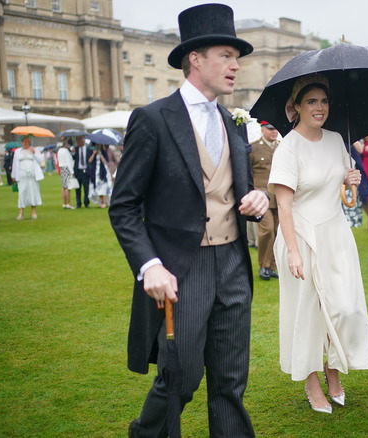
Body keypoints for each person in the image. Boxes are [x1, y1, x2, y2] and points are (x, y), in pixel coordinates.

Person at [108, 5, 267, 437]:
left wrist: (257, 198)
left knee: (232, 380)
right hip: (184, 267)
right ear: (195, 58)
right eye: (226, 55)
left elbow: (236, 188)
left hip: (233, 264)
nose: (235, 66)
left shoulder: (233, 123)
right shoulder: (154, 119)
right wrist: (149, 265)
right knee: (181, 378)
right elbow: (123, 206)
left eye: (237, 57)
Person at [269, 74, 368, 414]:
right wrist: (294, 252)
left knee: (345, 308)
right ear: (296, 107)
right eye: (311, 101)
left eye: (324, 101)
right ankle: (314, 384)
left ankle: (334, 371)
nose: (320, 108)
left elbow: (348, 199)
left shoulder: (337, 139)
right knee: (309, 314)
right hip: (300, 236)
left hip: (336, 234)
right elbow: (284, 205)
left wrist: (350, 180)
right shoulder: (288, 147)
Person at [250, 121, 280, 280]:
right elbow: (247, 173)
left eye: (275, 128)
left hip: (280, 196)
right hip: (262, 197)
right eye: (270, 128)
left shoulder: (282, 146)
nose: (273, 131)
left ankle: (272, 267)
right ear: (262, 129)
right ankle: (263, 265)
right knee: (267, 230)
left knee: (277, 232)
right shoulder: (254, 148)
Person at [11, 135, 43, 220]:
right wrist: (13, 175)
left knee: (33, 192)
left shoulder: (35, 150)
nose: (25, 143)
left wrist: (34, 153)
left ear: (29, 142)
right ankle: (21, 212)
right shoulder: (18, 151)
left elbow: (40, 160)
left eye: (27, 141)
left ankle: (33, 212)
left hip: (32, 175)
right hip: (22, 175)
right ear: (21, 142)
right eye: (23, 141)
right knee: (22, 193)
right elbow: (14, 163)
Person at [88, 143, 115, 208]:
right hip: (95, 172)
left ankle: (104, 202)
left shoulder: (104, 152)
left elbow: (106, 162)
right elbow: (89, 161)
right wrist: (94, 154)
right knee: (98, 187)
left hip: (102, 172)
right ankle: (101, 201)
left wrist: (100, 155)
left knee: (104, 187)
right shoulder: (92, 152)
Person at [71, 135, 91, 208]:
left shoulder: (88, 148)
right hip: (78, 171)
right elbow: (72, 158)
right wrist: (73, 153)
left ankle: (86, 202)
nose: (78, 142)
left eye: (79, 141)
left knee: (86, 188)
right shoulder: (75, 149)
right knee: (78, 188)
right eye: (77, 141)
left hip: (86, 171)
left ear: (83, 140)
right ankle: (78, 203)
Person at [57, 141, 76, 209]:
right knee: (68, 188)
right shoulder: (65, 151)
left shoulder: (59, 150)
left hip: (62, 168)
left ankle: (64, 203)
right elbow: (68, 161)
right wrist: (72, 171)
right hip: (67, 168)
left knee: (64, 187)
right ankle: (68, 203)